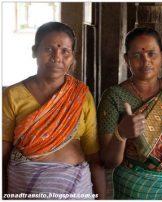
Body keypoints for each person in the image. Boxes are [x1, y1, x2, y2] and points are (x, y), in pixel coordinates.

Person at [2, 22, 105, 200]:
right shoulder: (12, 95)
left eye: (65, 51)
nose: (57, 57)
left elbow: (93, 155)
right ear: (34, 51)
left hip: (76, 187)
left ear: (73, 57)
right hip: (24, 187)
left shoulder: (81, 95)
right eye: (49, 49)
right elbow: (2, 154)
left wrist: (102, 198)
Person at [97, 27, 162, 199]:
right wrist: (121, 135)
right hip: (133, 188)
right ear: (127, 59)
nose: (145, 61)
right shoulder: (114, 97)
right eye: (137, 55)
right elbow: (108, 161)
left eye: (152, 54)